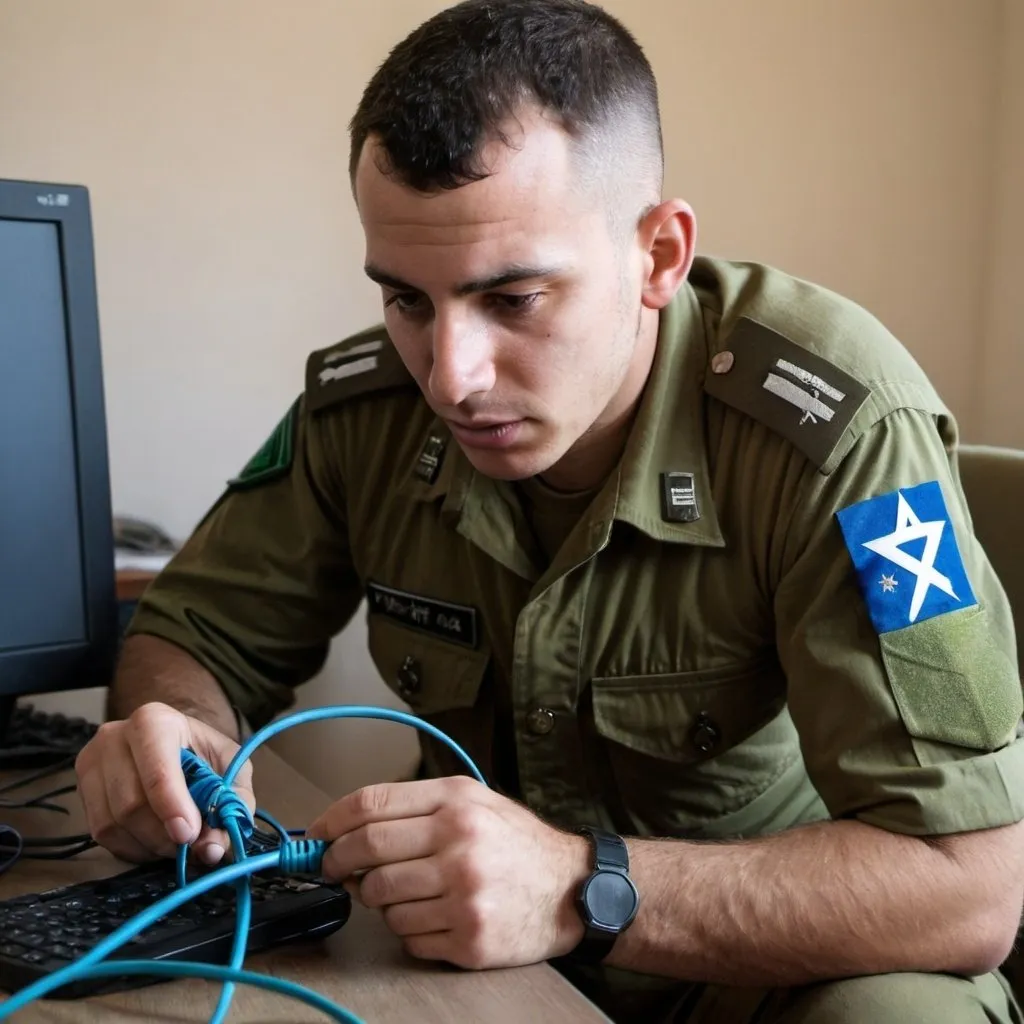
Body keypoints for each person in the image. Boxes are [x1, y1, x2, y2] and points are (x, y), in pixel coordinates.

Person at [74, 1, 1024, 1021]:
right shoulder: (365, 407)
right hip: (456, 961)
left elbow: (969, 885)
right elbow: (189, 632)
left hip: (759, 969)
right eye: (405, 299)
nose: (449, 375)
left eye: (514, 300)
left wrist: (582, 884)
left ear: (657, 255)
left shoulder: (834, 429)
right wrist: (177, 741)